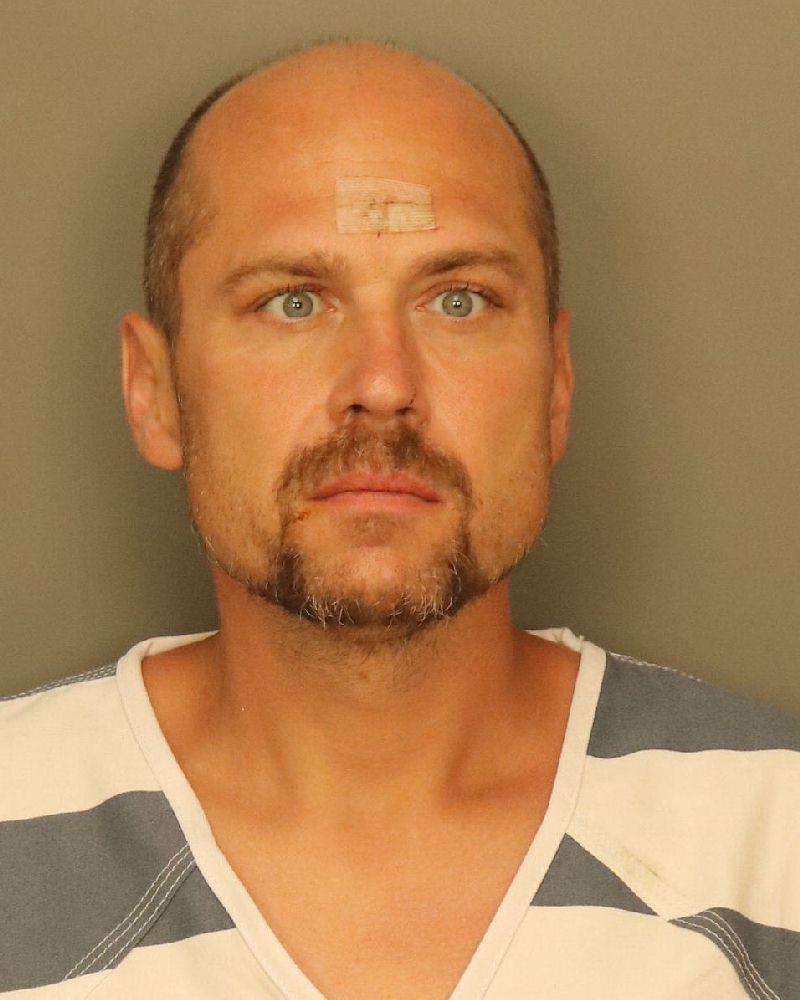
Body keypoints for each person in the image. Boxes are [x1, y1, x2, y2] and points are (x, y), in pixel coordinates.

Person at [2, 38, 798, 1000]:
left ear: (556, 386)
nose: (382, 384)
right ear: (156, 390)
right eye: (293, 302)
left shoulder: (776, 834)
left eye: (459, 301)